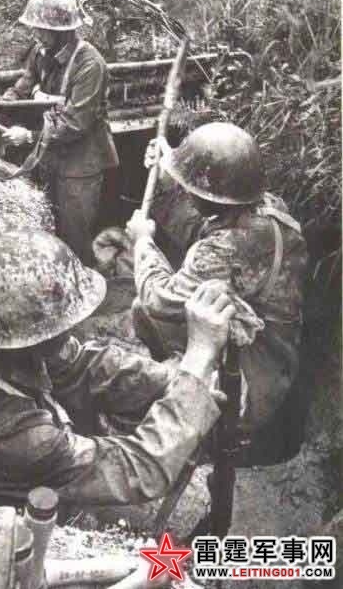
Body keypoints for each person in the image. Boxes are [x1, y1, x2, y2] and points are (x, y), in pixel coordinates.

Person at [0, 229, 236, 507]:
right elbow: (139, 470)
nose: (73, 328)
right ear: (34, 335)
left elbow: (85, 366)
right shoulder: (18, 438)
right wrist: (199, 357)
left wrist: (176, 382)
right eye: (63, 324)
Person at [126, 122, 308, 463]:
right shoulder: (267, 208)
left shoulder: (227, 248)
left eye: (190, 188)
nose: (187, 193)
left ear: (208, 194)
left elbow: (158, 298)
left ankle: (219, 427)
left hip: (255, 375)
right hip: (277, 353)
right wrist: (171, 179)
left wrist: (142, 243)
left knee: (143, 310)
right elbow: (202, 228)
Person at [0, 0, 119, 265]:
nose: (35, 33)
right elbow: (23, 85)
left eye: (42, 29)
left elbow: (74, 124)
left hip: (81, 165)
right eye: (35, 27)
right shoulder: (41, 52)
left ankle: (87, 283)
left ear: (63, 31)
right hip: (50, 156)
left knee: (74, 237)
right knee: (49, 232)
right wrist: (2, 104)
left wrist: (29, 137)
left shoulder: (90, 65)